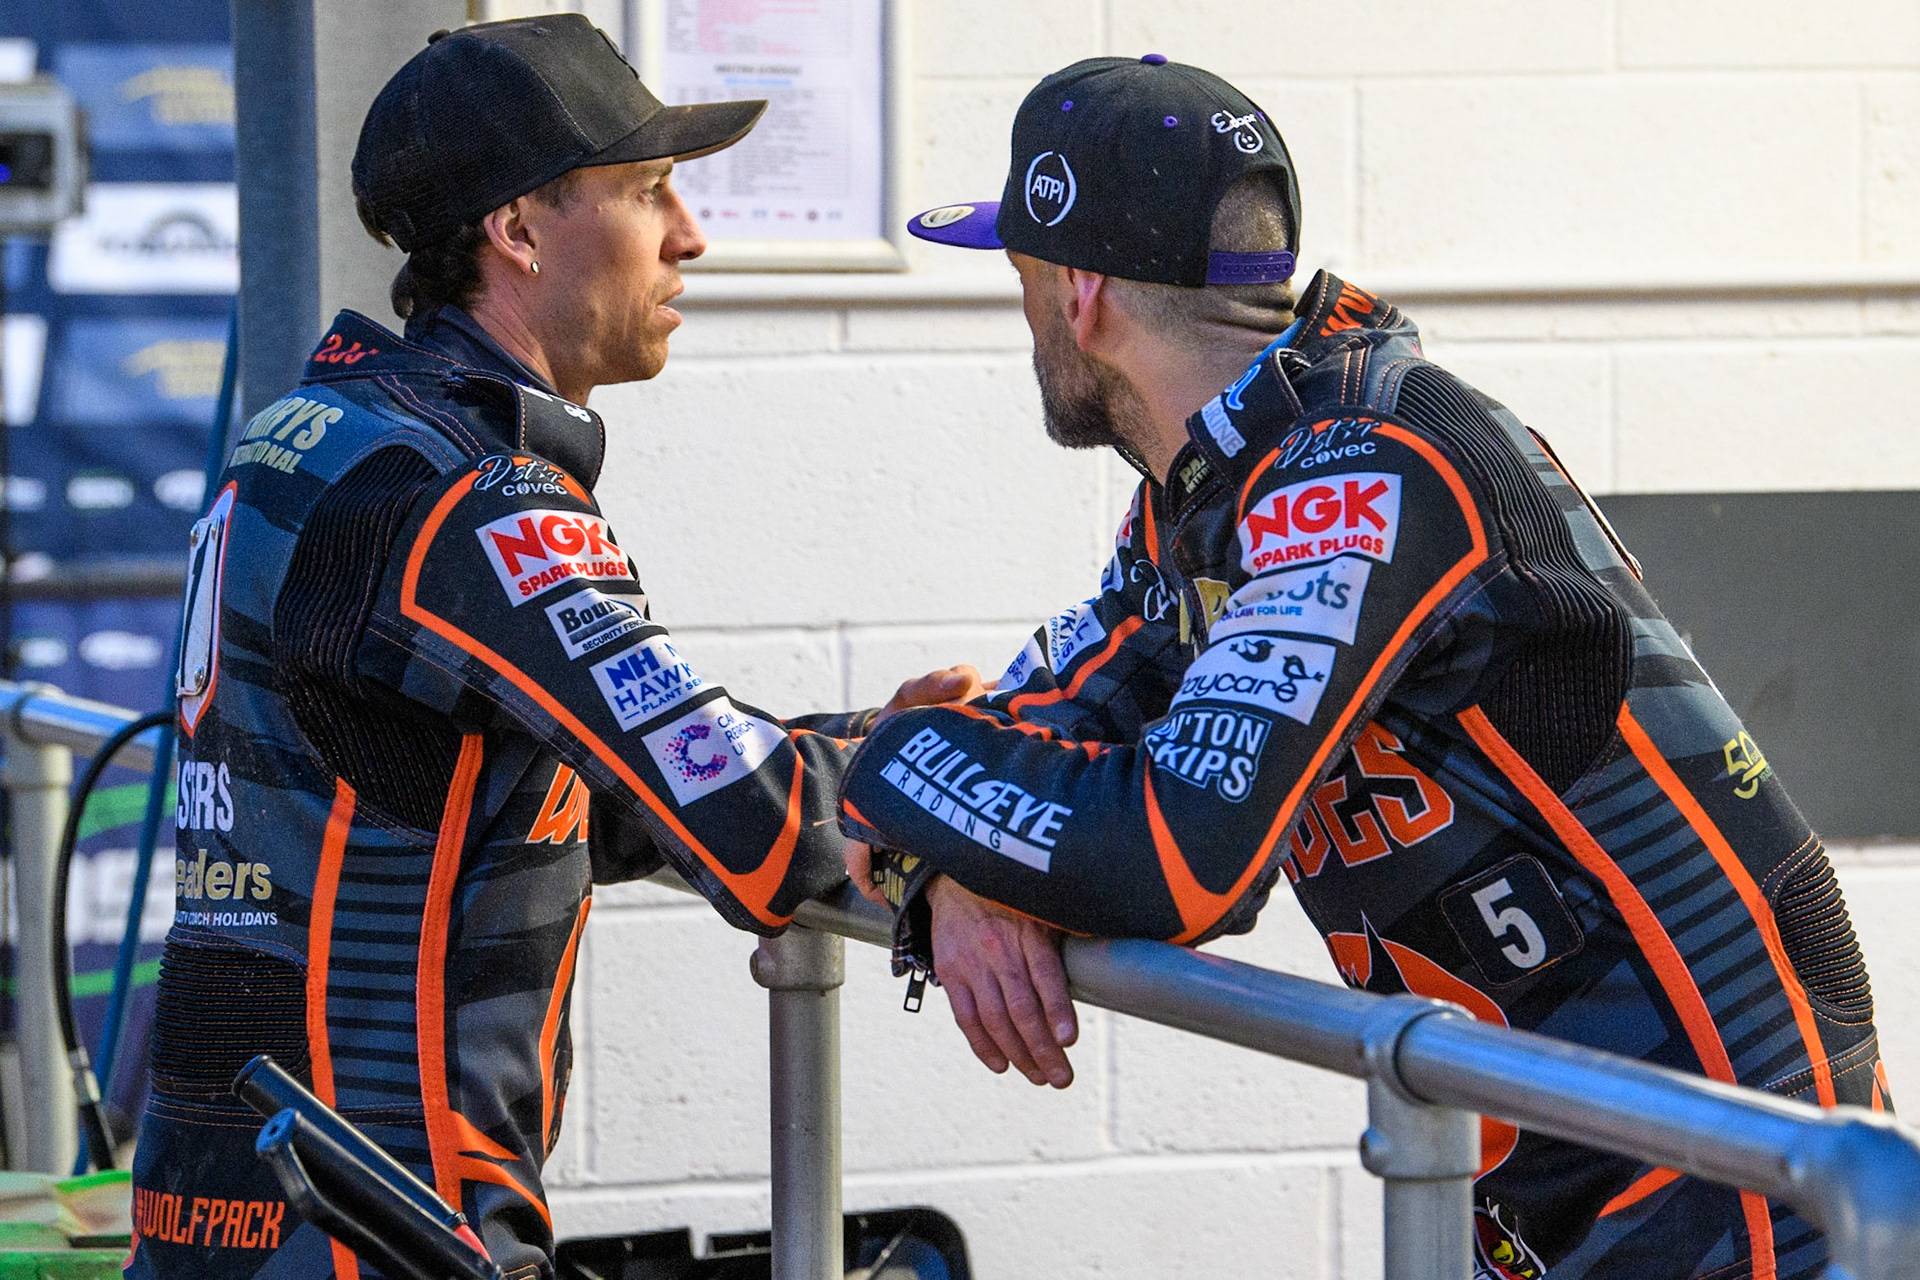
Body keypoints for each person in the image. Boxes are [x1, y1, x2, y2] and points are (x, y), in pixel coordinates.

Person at [839, 55, 1891, 1280]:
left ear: (1078, 292)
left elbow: (1178, 858)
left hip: (1733, 1176)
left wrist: (891, 770)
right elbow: (1041, 737)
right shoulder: (1206, 498)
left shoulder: (1370, 463)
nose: (1019, 316)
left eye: (1017, 277)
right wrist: (934, 862)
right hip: (1553, 1182)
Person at [128, 17, 950, 1277]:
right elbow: (750, 820)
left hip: (220, 1200)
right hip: (380, 1225)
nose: (690, 235)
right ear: (517, 230)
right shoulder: (467, 496)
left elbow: (547, 790)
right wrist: (965, 784)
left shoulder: (307, 431)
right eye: (646, 191)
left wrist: (868, 745)